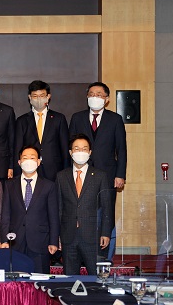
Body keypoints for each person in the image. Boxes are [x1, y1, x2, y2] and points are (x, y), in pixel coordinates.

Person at [68, 82, 127, 258]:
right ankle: (80, 252)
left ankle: (105, 256)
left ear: (106, 99)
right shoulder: (77, 118)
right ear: (87, 97)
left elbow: (121, 149)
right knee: (81, 212)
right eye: (92, 94)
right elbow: (69, 147)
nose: (95, 97)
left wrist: (120, 175)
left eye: (99, 94)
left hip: (107, 175)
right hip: (81, 174)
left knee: (106, 213)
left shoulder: (115, 119)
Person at [56, 134, 113, 275]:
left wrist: (106, 232)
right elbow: (59, 208)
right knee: (70, 280)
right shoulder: (61, 176)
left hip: (93, 236)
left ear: (90, 152)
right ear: (71, 152)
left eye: (84, 149)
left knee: (96, 279)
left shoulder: (100, 175)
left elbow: (106, 206)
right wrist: (57, 235)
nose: (80, 152)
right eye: (77, 148)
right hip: (68, 237)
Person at [0, 145, 59, 274]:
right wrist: (4, 240)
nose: (29, 161)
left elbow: (53, 216)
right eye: (25, 158)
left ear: (38, 162)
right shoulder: (9, 185)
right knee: (16, 281)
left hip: (40, 242)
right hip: (15, 242)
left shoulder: (49, 186)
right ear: (19, 162)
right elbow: (5, 214)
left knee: (40, 281)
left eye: (32, 158)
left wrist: (53, 241)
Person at [14, 80, 70, 181]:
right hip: (29, 169)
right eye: (35, 96)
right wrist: (17, 173)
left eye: (42, 95)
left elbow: (65, 148)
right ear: (29, 97)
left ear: (48, 96)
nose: (38, 99)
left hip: (54, 169)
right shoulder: (22, 120)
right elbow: (18, 148)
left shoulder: (59, 118)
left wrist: (66, 172)